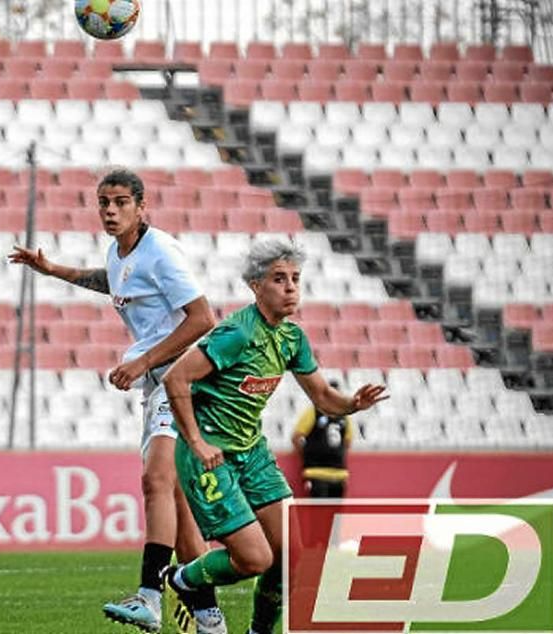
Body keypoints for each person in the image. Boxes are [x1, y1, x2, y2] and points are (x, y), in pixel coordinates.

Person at [9, 168, 226, 634]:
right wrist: (52, 270)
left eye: (121, 202)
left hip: (183, 379)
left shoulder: (161, 251)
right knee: (178, 505)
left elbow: (203, 317)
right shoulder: (120, 251)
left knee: (156, 479)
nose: (110, 210)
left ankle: (149, 596)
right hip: (159, 382)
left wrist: (142, 360)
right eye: (103, 202)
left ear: (141, 206)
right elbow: (111, 279)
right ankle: (209, 620)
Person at [161, 237, 387, 634]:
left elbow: (322, 396)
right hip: (211, 455)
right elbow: (176, 377)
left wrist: (353, 404)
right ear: (255, 286)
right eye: (279, 279)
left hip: (253, 453)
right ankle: (181, 581)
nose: (290, 288)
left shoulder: (291, 339)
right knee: (255, 560)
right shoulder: (236, 333)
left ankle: (259, 630)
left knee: (291, 557)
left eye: (295, 279)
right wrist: (196, 441)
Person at [290, 380, 354, 498]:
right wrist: (308, 455)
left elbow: (348, 441)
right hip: (317, 472)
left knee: (333, 515)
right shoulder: (314, 412)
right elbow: (296, 437)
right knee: (320, 513)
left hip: (336, 473)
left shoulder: (343, 416)